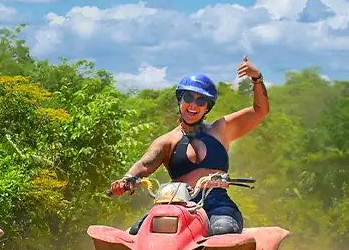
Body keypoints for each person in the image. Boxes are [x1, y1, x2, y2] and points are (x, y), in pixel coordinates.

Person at [109, 56, 269, 236]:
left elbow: (259, 110)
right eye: (188, 97)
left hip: (217, 204)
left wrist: (257, 79)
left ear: (207, 107)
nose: (193, 104)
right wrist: (127, 179)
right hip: (175, 204)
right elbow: (145, 164)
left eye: (201, 101)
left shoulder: (221, 130)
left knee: (223, 231)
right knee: (134, 235)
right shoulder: (166, 142)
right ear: (180, 100)